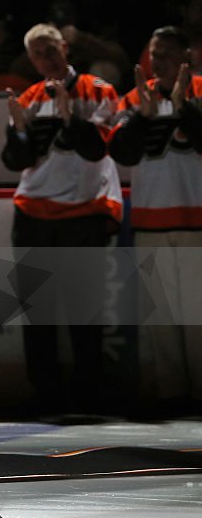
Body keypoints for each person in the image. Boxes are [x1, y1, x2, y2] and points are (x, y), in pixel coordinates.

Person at [2, 23, 122, 414]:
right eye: (37, 53)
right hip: (33, 213)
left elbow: (97, 150)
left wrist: (71, 118)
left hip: (82, 214)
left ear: (65, 46)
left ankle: (89, 393)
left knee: (84, 309)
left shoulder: (99, 90)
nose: (46, 58)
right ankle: (45, 393)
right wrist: (19, 130)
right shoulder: (29, 98)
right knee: (38, 312)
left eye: (50, 49)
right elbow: (15, 161)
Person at [109, 26, 202, 415]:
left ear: (186, 56)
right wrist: (142, 119)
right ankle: (172, 394)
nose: (157, 60)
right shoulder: (134, 97)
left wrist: (184, 108)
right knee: (161, 315)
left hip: (196, 220)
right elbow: (121, 152)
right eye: (153, 53)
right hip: (149, 219)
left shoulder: (200, 89)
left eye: (165, 52)